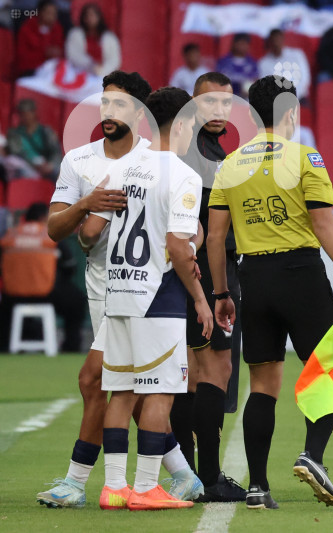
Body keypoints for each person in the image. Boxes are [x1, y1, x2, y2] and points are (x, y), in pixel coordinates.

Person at [36, 71, 202, 509]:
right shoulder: (81, 160)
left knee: (107, 382)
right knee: (127, 384)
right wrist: (87, 205)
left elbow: (192, 230)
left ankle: (86, 480)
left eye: (119, 104)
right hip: (107, 287)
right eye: (104, 103)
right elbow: (64, 231)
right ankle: (171, 477)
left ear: (142, 114)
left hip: (132, 289)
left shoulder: (145, 159)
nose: (107, 113)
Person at [207, 75, 333, 509]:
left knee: (263, 383)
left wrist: (222, 294)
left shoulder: (231, 164)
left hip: (252, 276)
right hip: (301, 272)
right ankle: (312, 456)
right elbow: (323, 223)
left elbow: (215, 239)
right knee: (332, 371)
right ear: (291, 112)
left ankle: (257, 487)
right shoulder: (305, 156)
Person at [78, 86, 210, 511]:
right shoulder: (185, 175)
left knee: (122, 390)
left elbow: (92, 232)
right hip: (159, 296)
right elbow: (177, 245)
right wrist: (201, 300)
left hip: (117, 291)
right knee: (160, 392)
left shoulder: (123, 167)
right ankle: (149, 486)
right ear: (185, 123)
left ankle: (114, 487)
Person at [171, 71, 248, 503]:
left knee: (190, 375)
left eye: (226, 103)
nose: (219, 111)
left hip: (190, 270)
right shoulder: (200, 155)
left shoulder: (207, 150)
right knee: (214, 371)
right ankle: (209, 476)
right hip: (208, 270)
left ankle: (188, 476)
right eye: (210, 102)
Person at [0, 203, 86, 353]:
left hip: (12, 297)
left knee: (5, 311)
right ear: (43, 217)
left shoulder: (9, 235)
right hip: (47, 294)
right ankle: (71, 347)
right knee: (77, 301)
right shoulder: (50, 234)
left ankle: (5, 346)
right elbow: (69, 267)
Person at [6, 99, 62, 180]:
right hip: (27, 167)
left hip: (47, 166)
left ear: (34, 113)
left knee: (63, 170)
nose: (26, 116)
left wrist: (50, 165)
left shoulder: (46, 132)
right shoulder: (14, 134)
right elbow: (17, 153)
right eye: (22, 114)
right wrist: (34, 165)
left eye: (28, 113)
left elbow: (56, 152)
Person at [65, 2, 121, 77]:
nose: (90, 18)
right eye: (87, 16)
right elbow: (73, 55)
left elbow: (114, 60)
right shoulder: (75, 34)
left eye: (92, 15)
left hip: (105, 75)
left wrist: (103, 71)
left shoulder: (110, 37)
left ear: (99, 17)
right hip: (79, 74)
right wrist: (90, 65)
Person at [257, 29, 311, 102]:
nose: (276, 43)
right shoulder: (263, 63)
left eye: (278, 40)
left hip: (298, 97)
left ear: (283, 40)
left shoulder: (297, 55)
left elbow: (305, 79)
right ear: (269, 43)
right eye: (273, 41)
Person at [15, 0, 64, 76]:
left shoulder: (57, 28)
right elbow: (22, 57)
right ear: (40, 13)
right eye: (48, 13)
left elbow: (60, 51)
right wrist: (44, 53)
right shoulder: (27, 28)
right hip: (31, 69)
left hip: (53, 69)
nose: (51, 16)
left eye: (54, 14)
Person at [215, 33, 259, 99]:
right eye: (241, 43)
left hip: (245, 99)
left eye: (245, 43)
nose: (243, 46)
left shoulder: (252, 63)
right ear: (234, 44)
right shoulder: (223, 62)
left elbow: (254, 83)